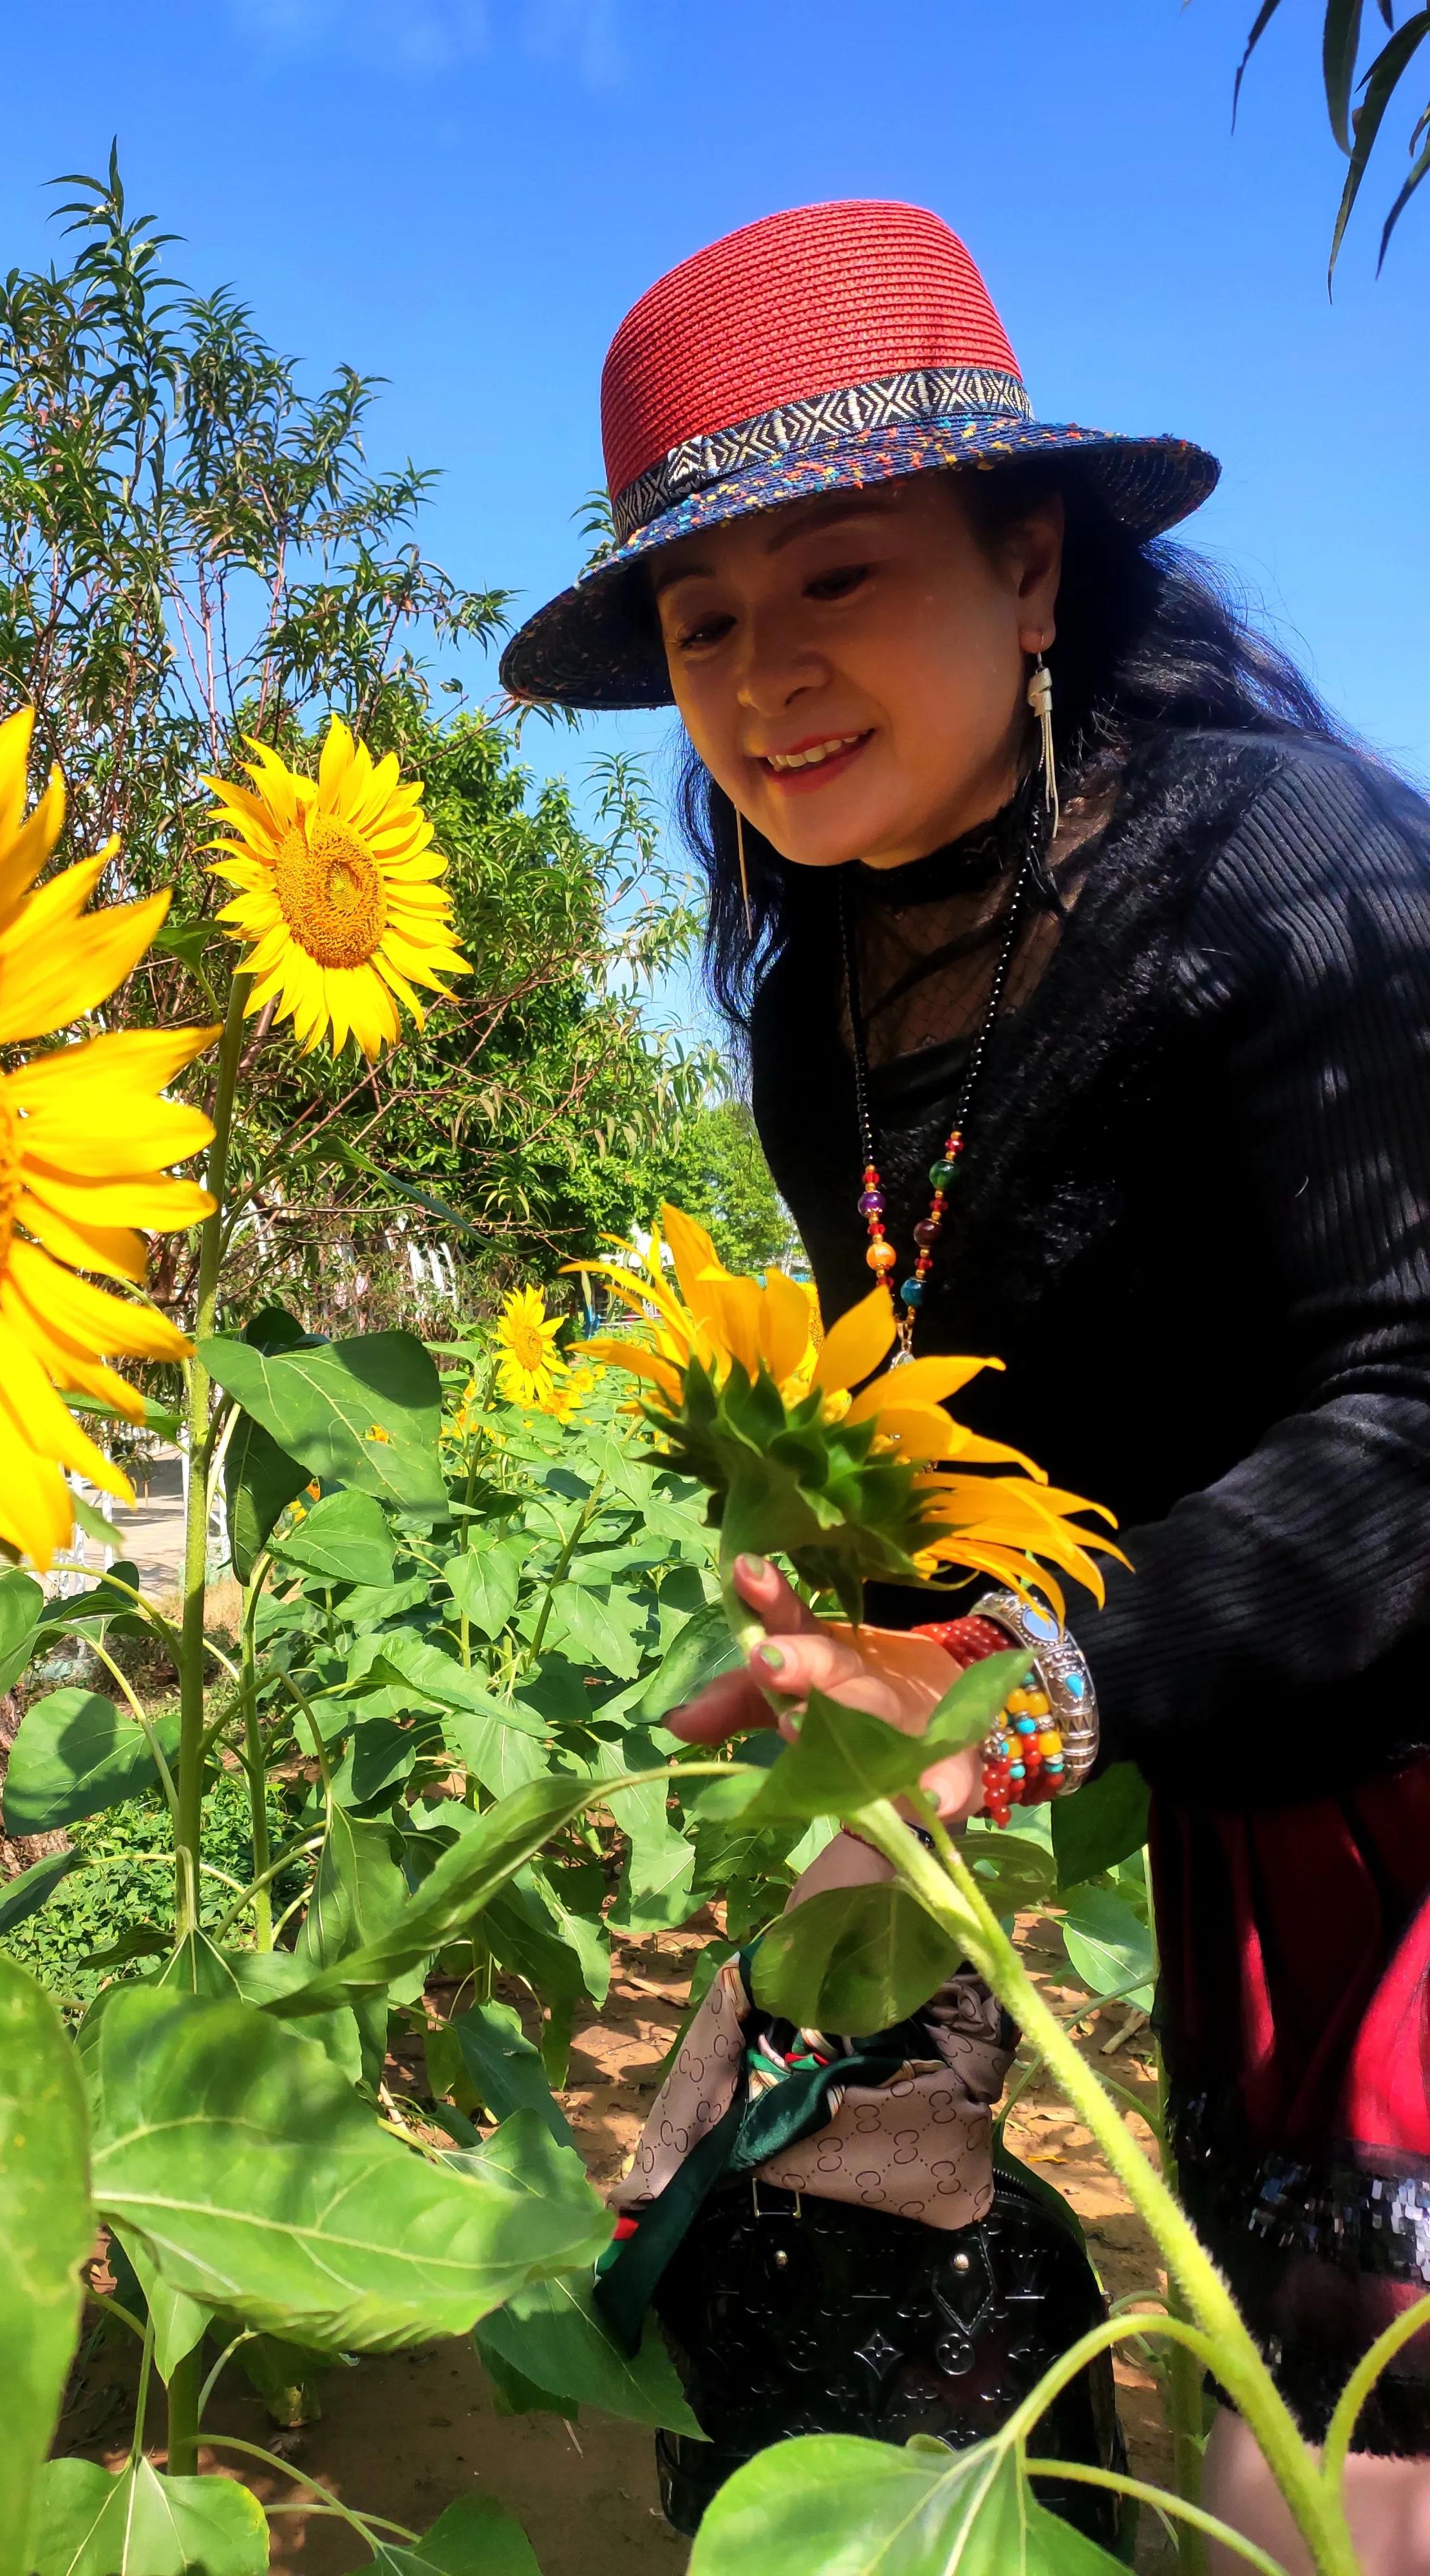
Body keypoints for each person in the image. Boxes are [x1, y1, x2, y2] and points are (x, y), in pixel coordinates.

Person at [500, 201, 1430, 2575]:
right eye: (704, 621)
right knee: (1279, 2381)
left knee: (1339, 2474)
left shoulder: (1292, 878)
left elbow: (1414, 1410)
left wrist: (1003, 1690)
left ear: (1033, 574)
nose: (764, 674)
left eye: (836, 580)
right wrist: (855, 1626)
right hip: (1250, 1780)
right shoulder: (827, 1001)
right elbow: (956, 1422)